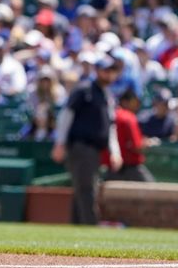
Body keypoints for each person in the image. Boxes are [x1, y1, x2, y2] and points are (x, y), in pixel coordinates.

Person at [51, 55, 123, 225]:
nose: (109, 74)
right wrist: (60, 143)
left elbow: (111, 126)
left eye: (111, 71)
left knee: (83, 190)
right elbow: (66, 116)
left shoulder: (106, 95)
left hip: (94, 150)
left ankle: (77, 228)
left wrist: (115, 151)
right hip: (81, 147)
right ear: (97, 71)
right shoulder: (84, 90)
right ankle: (90, 227)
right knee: (86, 190)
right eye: (105, 70)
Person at [102, 90, 155, 182]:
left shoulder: (110, 115)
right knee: (154, 193)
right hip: (131, 169)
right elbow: (137, 146)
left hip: (112, 168)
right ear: (125, 102)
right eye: (134, 102)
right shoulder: (128, 117)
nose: (137, 105)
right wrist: (147, 144)